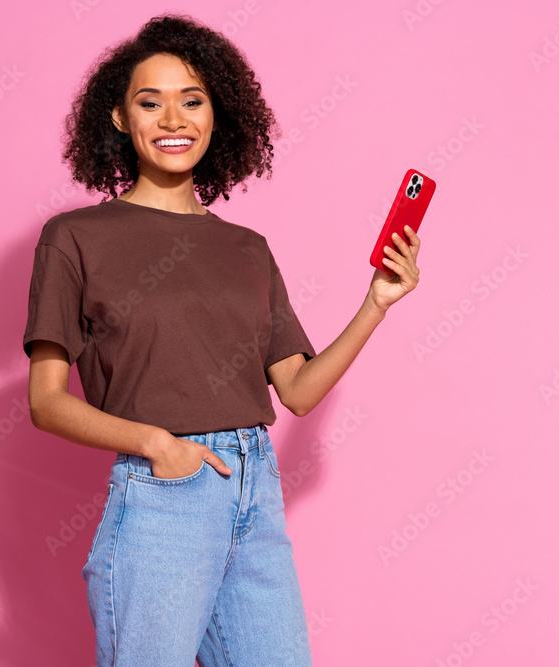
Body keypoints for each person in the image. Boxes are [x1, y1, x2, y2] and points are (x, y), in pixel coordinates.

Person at [22, 12, 421, 667]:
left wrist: (376, 302)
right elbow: (46, 400)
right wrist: (153, 442)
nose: (174, 119)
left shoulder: (246, 249)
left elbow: (297, 390)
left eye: (192, 100)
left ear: (217, 116)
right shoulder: (75, 238)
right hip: (163, 490)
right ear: (120, 118)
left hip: (254, 486)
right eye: (150, 102)